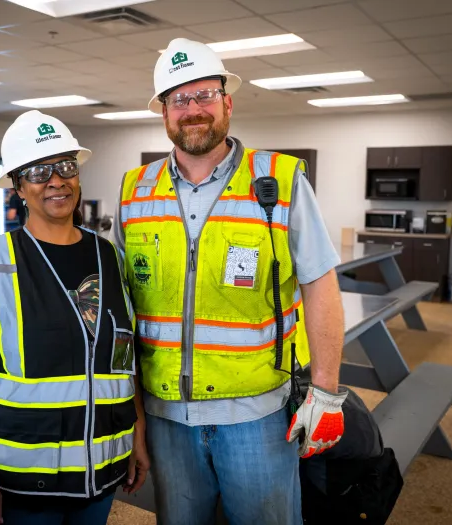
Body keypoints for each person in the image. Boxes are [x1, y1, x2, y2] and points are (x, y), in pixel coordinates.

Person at [111, 38, 347, 524]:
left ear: (227, 102)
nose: (192, 109)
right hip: (165, 417)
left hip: (256, 416)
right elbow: (124, 310)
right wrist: (131, 412)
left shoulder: (279, 180)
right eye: (179, 99)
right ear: (164, 113)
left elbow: (320, 284)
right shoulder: (135, 191)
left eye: (204, 95)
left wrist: (325, 390)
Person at [0, 110, 150, 525]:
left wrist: (137, 435)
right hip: (23, 481)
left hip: (102, 470)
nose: (56, 180)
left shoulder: (111, 258)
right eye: (38, 172)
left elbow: (124, 358)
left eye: (65, 166)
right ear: (18, 187)